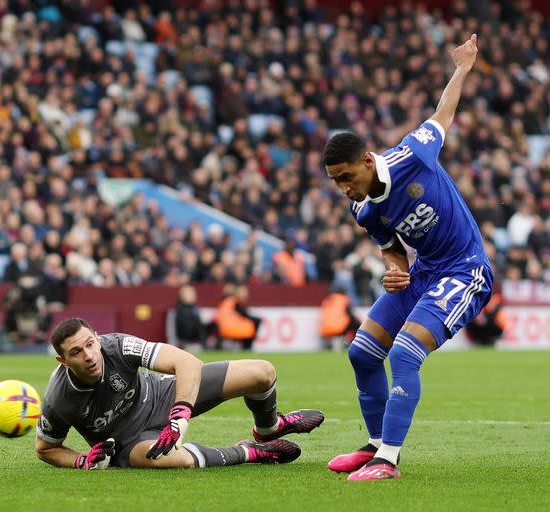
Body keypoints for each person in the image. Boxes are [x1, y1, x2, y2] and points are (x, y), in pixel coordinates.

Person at [322, 35, 493, 480]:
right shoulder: (363, 208)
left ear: (365, 160)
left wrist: (463, 67)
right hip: (423, 274)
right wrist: (394, 273)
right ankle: (376, 443)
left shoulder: (412, 155)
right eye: (335, 182)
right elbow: (392, 251)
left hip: (464, 270)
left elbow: (443, 113)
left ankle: (388, 460)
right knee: (361, 353)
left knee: (404, 354)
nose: (343, 188)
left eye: (345, 177)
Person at [35, 317, 325, 470]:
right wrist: (81, 460)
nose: (88, 355)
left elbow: (185, 361)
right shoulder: (58, 398)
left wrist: (180, 414)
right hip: (129, 442)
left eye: (90, 344)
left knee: (262, 372)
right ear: (63, 361)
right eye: (76, 352)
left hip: (162, 395)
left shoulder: (118, 345)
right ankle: (250, 451)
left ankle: (268, 428)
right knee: (176, 460)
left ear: (97, 338)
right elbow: (46, 448)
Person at [173, 284, 208, 349]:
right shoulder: (180, 308)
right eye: (188, 295)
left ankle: (204, 344)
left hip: (195, 336)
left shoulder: (195, 307)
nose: (191, 296)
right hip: (185, 337)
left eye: (192, 294)